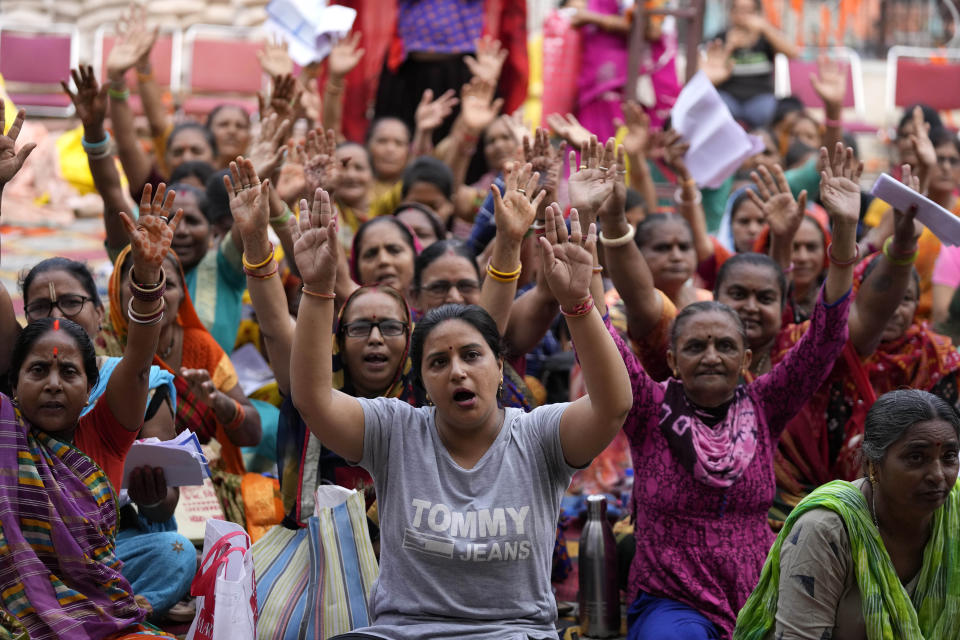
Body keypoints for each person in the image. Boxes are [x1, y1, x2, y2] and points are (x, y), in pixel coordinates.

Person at [289, 184, 630, 638]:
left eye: (472, 355)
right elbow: (313, 399)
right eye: (437, 362)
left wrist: (578, 305)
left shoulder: (539, 436)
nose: (456, 372)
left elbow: (612, 406)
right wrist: (316, 289)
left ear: (499, 365)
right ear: (422, 381)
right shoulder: (394, 431)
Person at [599, 142, 860, 637]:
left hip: (759, 597)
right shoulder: (649, 407)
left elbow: (827, 335)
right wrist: (606, 226)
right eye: (696, 346)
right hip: (672, 602)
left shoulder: (765, 403)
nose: (712, 356)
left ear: (745, 361)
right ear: (672, 360)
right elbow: (602, 339)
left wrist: (843, 232)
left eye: (724, 346)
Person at [0, 111, 180, 635]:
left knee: (171, 553)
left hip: (96, 587)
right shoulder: (7, 426)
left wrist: (147, 279)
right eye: (37, 370)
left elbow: (141, 355)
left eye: (68, 374)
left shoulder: (105, 425)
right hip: (13, 592)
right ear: (12, 382)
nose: (54, 383)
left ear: (90, 386)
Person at [734, 389, 960, 639]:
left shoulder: (954, 515)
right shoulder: (825, 529)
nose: (938, 475)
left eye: (949, 457)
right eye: (916, 457)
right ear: (872, 465)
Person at [105, 245, 261, 476]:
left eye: (167, 285)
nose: (154, 293)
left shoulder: (200, 346)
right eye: (141, 285)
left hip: (202, 484)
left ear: (182, 295)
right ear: (116, 292)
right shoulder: (105, 348)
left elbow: (252, 433)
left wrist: (219, 402)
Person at [706, 0, 797, 128]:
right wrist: (730, 46)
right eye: (738, 10)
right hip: (728, 95)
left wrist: (765, 28)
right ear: (731, 13)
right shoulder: (721, 37)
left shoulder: (766, 38)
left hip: (760, 97)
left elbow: (793, 53)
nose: (743, 16)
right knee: (718, 111)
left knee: (766, 113)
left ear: (758, 14)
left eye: (748, 11)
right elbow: (709, 71)